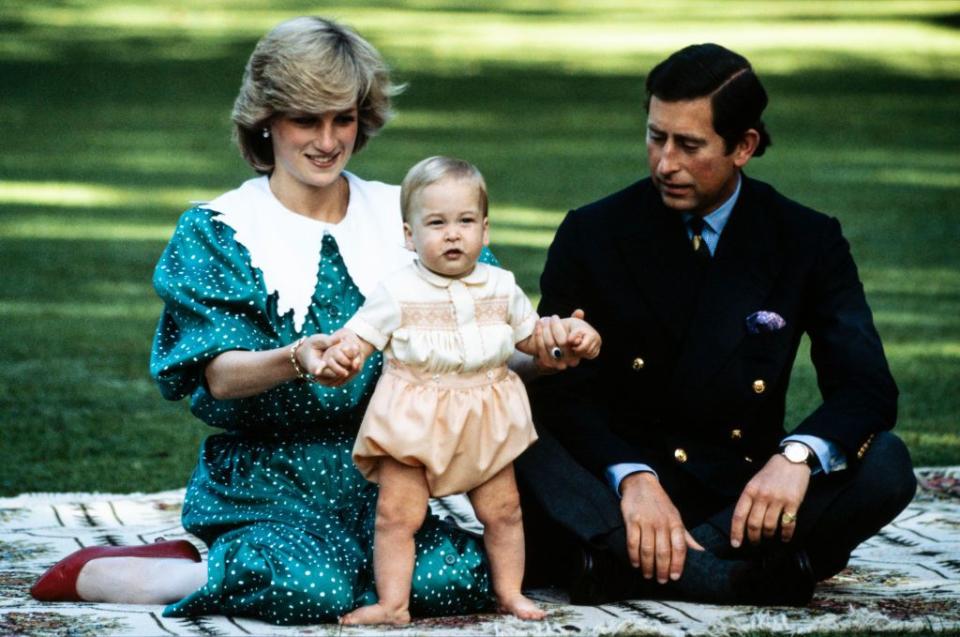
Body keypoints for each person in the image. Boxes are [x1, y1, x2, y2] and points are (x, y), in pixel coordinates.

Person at [29, 16, 571, 625]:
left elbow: (490, 345)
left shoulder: (413, 216)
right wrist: (297, 358)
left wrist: (548, 353)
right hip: (270, 474)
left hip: (388, 471)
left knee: (461, 578)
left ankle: (248, 567)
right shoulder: (220, 230)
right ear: (266, 120)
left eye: (343, 118)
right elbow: (219, 376)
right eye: (306, 119)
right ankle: (169, 570)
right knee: (310, 589)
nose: (328, 140)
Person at [516, 43, 917, 606]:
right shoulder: (593, 232)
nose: (664, 163)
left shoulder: (806, 239)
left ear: (744, 145)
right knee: (511, 405)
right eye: (656, 137)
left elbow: (866, 386)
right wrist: (633, 477)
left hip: (738, 497)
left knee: (887, 463)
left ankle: (614, 567)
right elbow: (564, 394)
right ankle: (729, 578)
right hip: (616, 493)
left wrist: (796, 457)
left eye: (689, 144)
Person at [317, 156, 601, 624]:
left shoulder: (501, 286)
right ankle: (394, 603)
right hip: (414, 417)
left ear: (485, 231)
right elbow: (361, 335)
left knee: (505, 511)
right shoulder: (397, 290)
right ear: (409, 237)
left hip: (485, 415)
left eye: (465, 221)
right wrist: (343, 351)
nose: (453, 234)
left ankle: (510, 592)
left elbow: (532, 338)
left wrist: (568, 335)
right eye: (436, 223)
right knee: (396, 515)